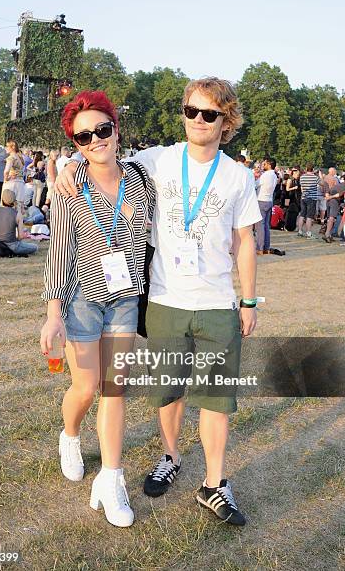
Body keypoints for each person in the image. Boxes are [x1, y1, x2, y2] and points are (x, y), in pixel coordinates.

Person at [56, 78, 262, 526]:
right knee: (168, 391)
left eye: (209, 114)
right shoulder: (160, 160)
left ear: (226, 121)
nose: (198, 121)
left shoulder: (238, 176)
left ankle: (214, 485)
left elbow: (245, 241)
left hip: (217, 304)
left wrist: (248, 300)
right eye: (192, 111)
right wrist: (68, 161)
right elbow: (100, 148)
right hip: (165, 300)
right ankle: (170, 457)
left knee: (215, 397)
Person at [40, 90, 155, 528]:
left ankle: (110, 480)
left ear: (116, 128)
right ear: (76, 145)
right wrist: (54, 314)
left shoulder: (141, 177)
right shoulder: (71, 186)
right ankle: (69, 435)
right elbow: (59, 253)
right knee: (85, 389)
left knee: (115, 390)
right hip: (82, 302)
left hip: (125, 300)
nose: (95, 141)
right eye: (83, 137)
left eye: (102, 130)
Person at [0, 189, 38, 255]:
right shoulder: (17, 214)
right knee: (35, 247)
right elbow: (21, 236)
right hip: (11, 246)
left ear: (2, 199)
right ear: (14, 201)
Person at [255, 157, 277, 255]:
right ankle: (266, 247)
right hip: (269, 200)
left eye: (265, 164)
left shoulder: (265, 175)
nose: (263, 165)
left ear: (269, 164)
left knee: (260, 226)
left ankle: (260, 248)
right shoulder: (274, 175)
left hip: (261, 200)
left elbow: (255, 184)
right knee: (266, 226)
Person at [297, 164, 319, 238]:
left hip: (303, 197)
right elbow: (322, 183)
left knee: (302, 214)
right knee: (309, 216)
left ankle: (300, 231)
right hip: (312, 198)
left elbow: (302, 187)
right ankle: (308, 233)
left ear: (306, 168)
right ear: (313, 169)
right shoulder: (315, 177)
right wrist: (319, 175)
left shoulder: (302, 177)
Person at [2, 141, 25, 212]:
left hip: (12, 183)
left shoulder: (11, 158)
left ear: (12, 148)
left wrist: (6, 179)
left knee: (7, 202)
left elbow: (6, 171)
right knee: (19, 206)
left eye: (7, 146)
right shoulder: (20, 157)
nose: (6, 148)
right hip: (20, 182)